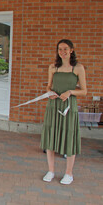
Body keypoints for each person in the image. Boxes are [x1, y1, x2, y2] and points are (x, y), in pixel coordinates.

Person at [41, 39, 87, 185]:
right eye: (60, 49)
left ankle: (69, 173)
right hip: (53, 106)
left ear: (71, 50)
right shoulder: (53, 67)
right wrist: (50, 92)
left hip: (69, 107)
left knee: (69, 137)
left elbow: (84, 91)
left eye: (65, 49)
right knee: (50, 137)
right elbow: (48, 87)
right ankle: (51, 170)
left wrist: (70, 92)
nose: (62, 52)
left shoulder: (78, 68)